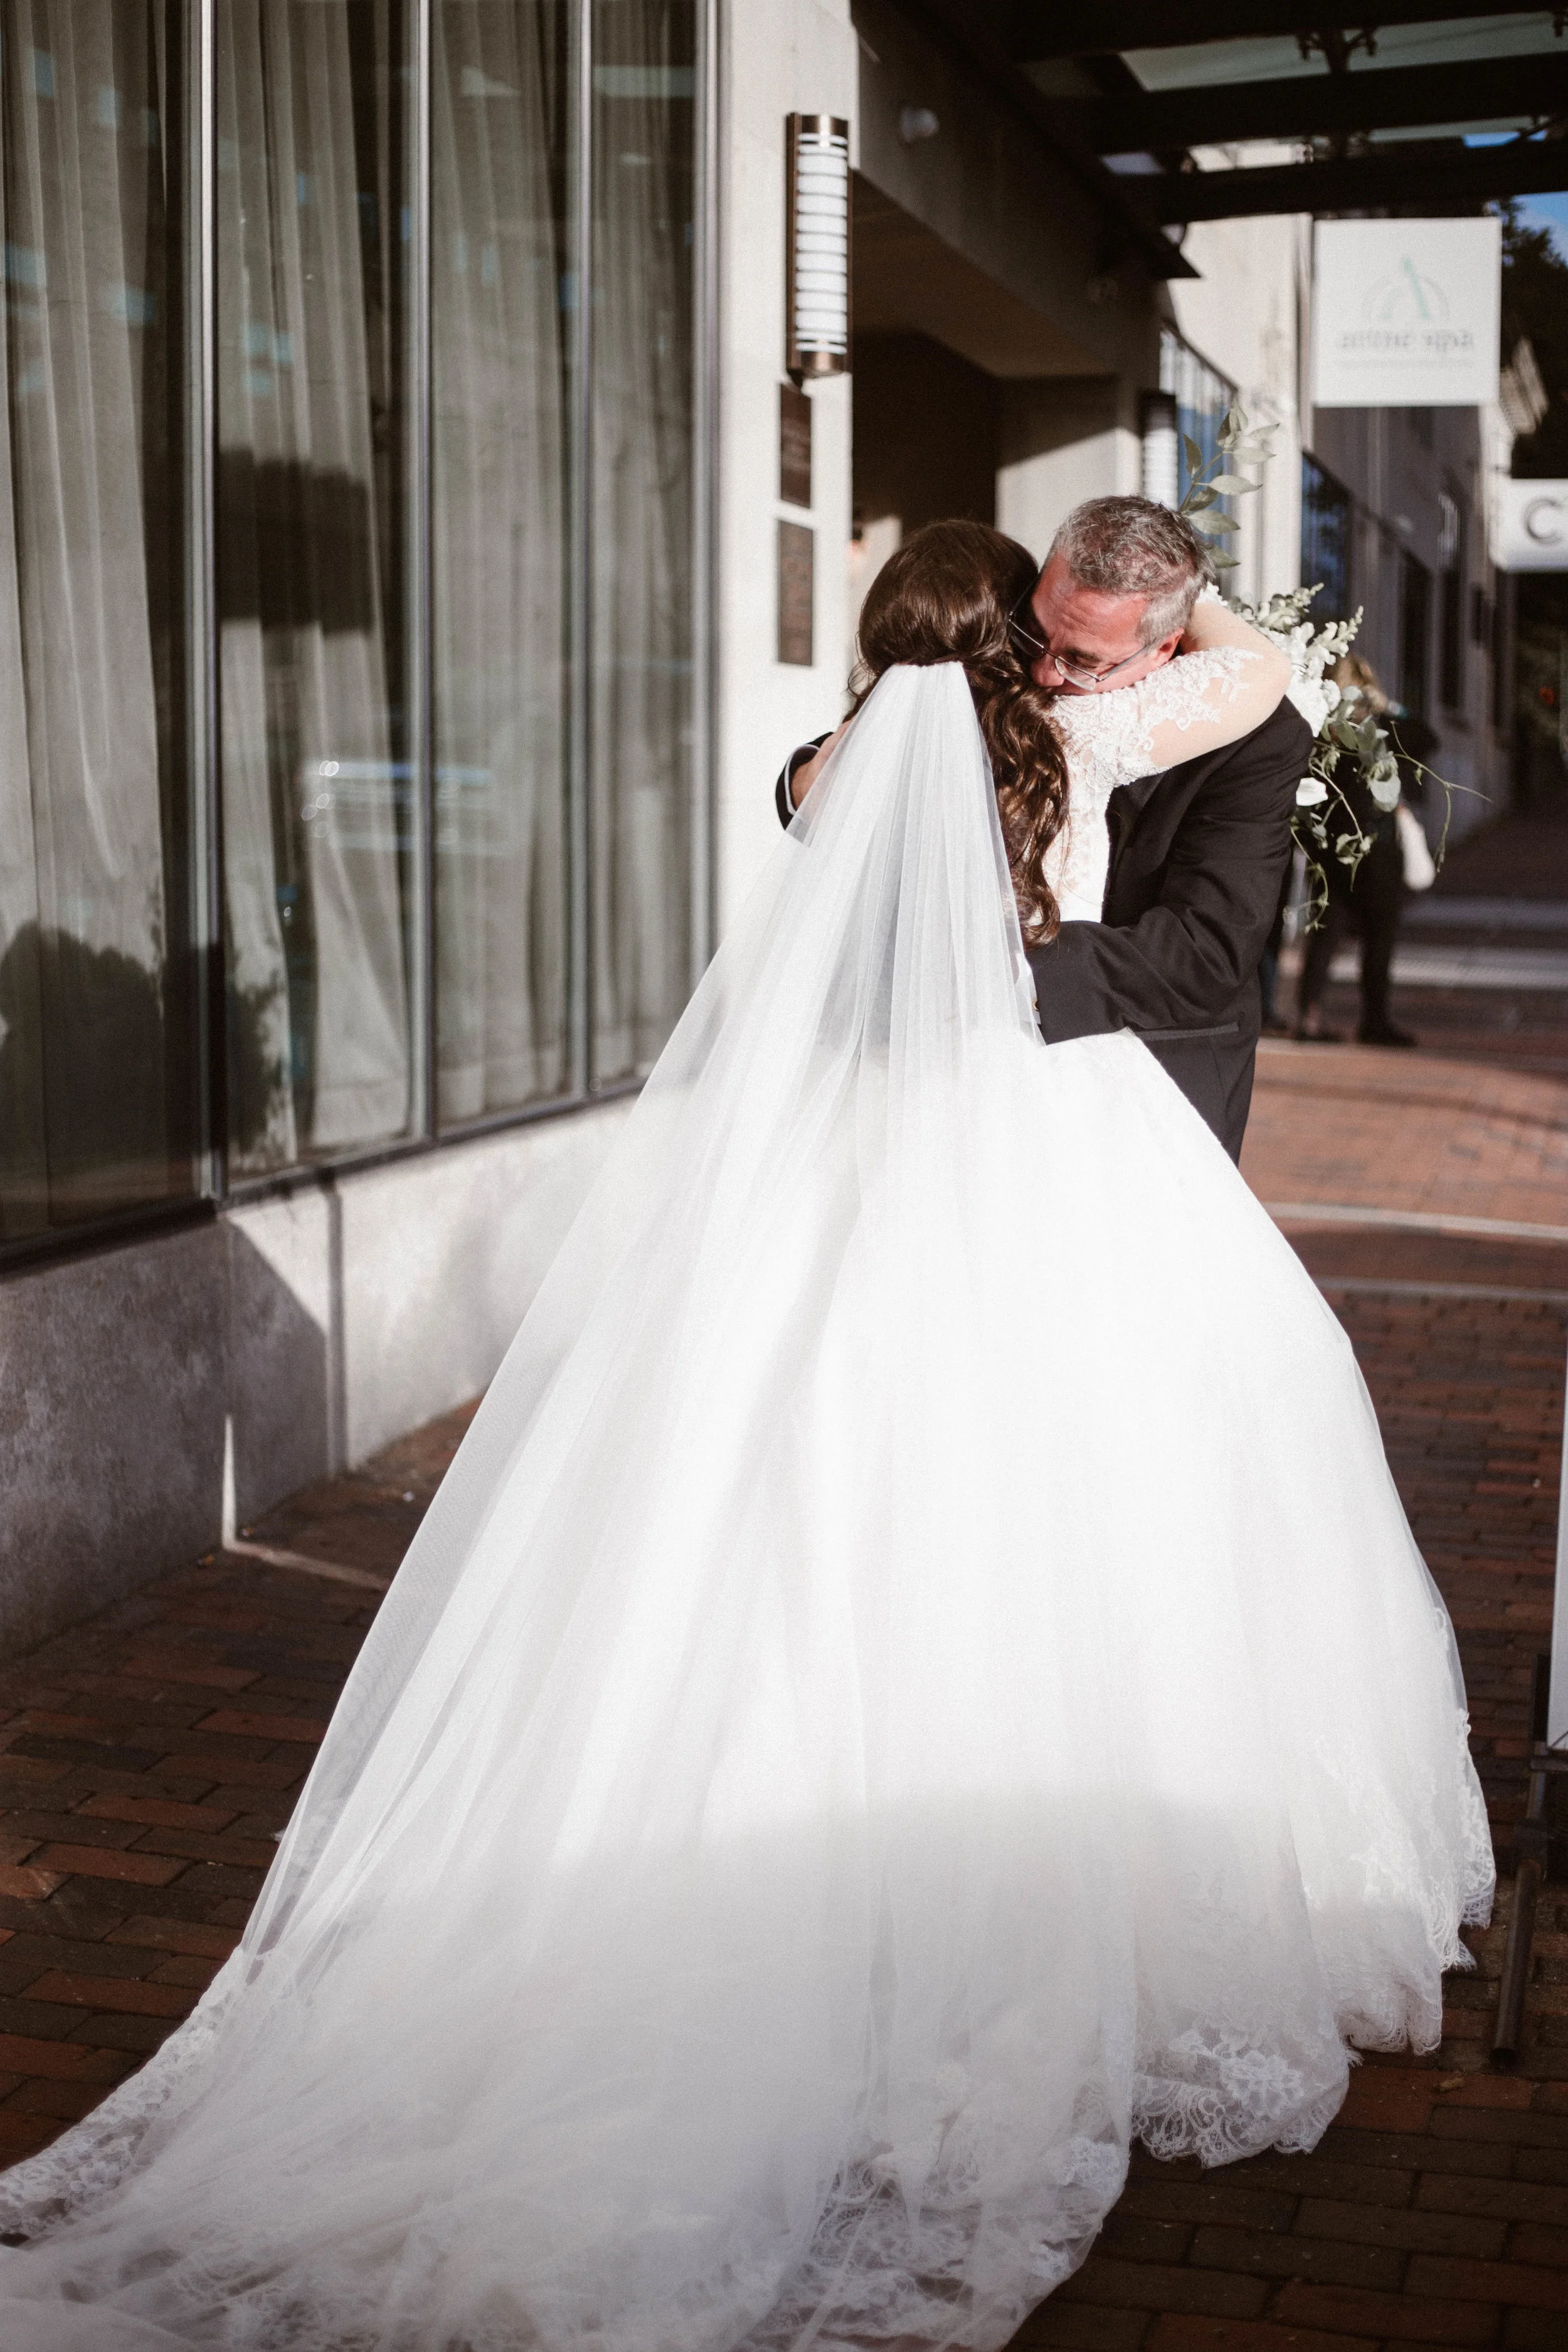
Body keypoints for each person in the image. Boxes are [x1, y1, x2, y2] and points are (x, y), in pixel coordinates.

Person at [0, 526, 1491, 2352]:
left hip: (903, 1148)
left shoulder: (860, 757)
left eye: (1086, 649)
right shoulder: (1078, 739)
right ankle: (952, 1918)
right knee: (1013, 1522)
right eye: (1044, 640)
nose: (1062, 670)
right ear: (1017, 635)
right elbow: (1225, 685)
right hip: (1025, 1157)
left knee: (828, 1509)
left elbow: (1173, 870)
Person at [780, 498, 1313, 1162]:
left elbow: (1205, 950)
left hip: (1152, 1070)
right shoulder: (1009, 673)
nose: (1042, 675)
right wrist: (808, 780)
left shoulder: (1254, 734)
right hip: (932, 1071)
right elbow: (890, 739)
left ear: (1166, 647)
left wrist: (983, 970)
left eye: (1083, 661)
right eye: (1036, 636)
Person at [1293, 653, 1433, 1050]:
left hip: (1326, 847)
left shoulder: (1315, 730)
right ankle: (1373, 1020)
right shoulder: (1376, 730)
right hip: (1374, 848)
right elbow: (1426, 738)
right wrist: (1390, 707)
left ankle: (1310, 1015)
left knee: (1326, 933)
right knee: (1378, 935)